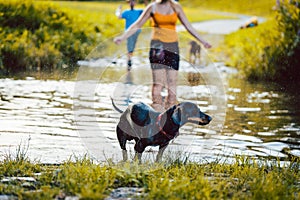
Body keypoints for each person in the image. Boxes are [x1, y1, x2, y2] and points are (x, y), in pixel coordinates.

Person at [114, 0, 211, 112]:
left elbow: (188, 26)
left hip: (173, 47)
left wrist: (203, 41)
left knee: (172, 84)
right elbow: (137, 24)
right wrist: (123, 37)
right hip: (157, 47)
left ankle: (169, 116)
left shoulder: (176, 7)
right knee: (158, 84)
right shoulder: (152, 7)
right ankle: (156, 116)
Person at [116, 0, 143, 70]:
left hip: (137, 31)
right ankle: (129, 60)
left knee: (133, 45)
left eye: (133, 1)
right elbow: (119, 16)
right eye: (130, 1)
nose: (132, 3)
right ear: (128, 3)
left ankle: (130, 58)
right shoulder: (126, 12)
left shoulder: (139, 11)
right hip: (128, 32)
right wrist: (119, 9)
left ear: (136, 3)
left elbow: (147, 12)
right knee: (130, 45)